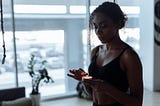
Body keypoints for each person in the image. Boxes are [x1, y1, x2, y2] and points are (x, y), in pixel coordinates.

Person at [67, 1, 143, 106]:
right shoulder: (95, 52)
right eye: (95, 26)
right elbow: (92, 93)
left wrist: (108, 88)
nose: (98, 31)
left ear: (118, 24)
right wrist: (86, 80)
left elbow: (137, 103)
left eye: (103, 26)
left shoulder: (128, 56)